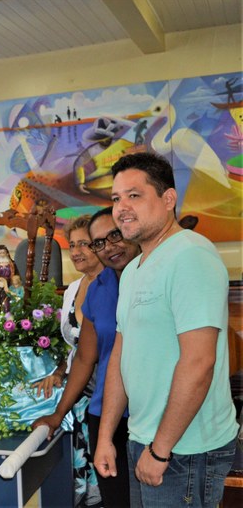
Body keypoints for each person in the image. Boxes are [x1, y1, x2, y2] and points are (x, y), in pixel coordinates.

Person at [95, 152, 238, 507]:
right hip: (143, 438)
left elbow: (199, 362)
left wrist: (160, 450)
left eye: (134, 195)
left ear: (168, 198)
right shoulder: (133, 270)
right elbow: (121, 356)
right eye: (116, 198)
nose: (121, 208)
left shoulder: (190, 255)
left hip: (184, 449)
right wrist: (106, 436)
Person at [30, 215, 104, 507]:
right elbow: (73, 347)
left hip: (106, 393)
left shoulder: (116, 285)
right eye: (72, 245)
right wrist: (59, 372)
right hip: (77, 392)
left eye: (84, 244)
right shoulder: (72, 289)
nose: (76, 252)